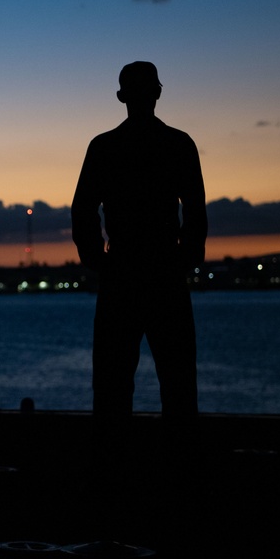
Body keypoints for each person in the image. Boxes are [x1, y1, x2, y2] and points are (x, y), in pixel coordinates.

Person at [71, 61, 207, 418]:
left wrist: (96, 258)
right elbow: (195, 209)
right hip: (162, 271)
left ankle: (113, 463)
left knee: (113, 385)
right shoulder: (177, 144)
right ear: (158, 92)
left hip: (124, 272)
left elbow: (83, 209)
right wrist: (186, 256)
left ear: (121, 97)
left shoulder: (105, 147)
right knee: (176, 383)